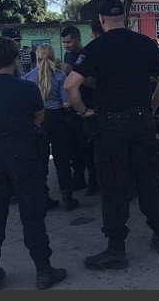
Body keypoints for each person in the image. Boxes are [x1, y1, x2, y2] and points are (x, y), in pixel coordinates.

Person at [64, 0, 159, 269]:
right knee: (146, 177)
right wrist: (151, 107)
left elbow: (70, 86)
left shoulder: (96, 47)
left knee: (114, 186)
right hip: (141, 122)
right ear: (125, 18)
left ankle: (116, 250)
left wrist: (82, 112)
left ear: (101, 21)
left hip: (110, 125)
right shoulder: (146, 43)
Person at [0, 37, 68, 290]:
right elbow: (39, 116)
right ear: (16, 59)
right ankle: (43, 271)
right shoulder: (27, 88)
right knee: (32, 215)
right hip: (24, 155)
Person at [22, 43, 81, 211]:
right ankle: (67, 198)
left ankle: (43, 198)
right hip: (58, 120)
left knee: (40, 162)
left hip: (39, 122)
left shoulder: (27, 78)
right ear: (53, 56)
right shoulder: (61, 76)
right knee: (62, 160)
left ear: (37, 57)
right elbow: (66, 103)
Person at [60, 24, 100, 196]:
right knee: (74, 147)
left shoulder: (89, 55)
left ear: (77, 39)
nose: (66, 45)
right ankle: (78, 178)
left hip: (88, 106)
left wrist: (75, 74)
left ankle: (93, 181)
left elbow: (94, 83)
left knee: (89, 148)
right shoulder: (68, 56)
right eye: (64, 43)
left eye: (69, 42)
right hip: (72, 108)